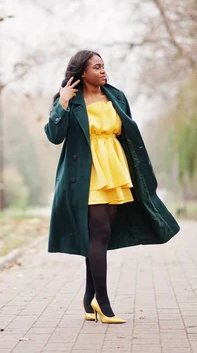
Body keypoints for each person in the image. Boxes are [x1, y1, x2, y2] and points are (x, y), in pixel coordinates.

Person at [44, 50, 181, 324]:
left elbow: (128, 134)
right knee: (101, 231)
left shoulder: (116, 96)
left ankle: (88, 297)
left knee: (99, 237)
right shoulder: (70, 100)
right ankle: (102, 302)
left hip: (116, 169)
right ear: (83, 72)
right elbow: (54, 136)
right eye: (97, 67)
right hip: (87, 173)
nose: (103, 71)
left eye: (104, 66)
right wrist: (62, 104)